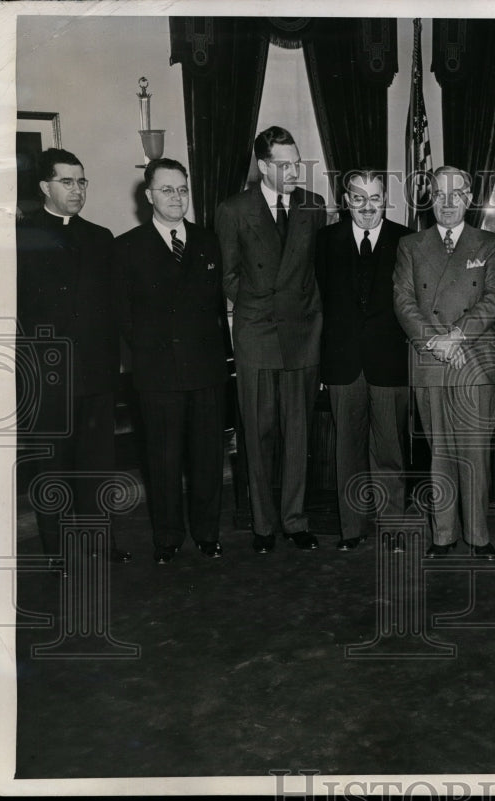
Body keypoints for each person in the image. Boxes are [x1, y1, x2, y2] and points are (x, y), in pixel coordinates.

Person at [16, 148, 131, 565]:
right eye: (67, 181)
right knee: (53, 469)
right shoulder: (19, 237)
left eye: (82, 181)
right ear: (45, 186)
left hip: (97, 373)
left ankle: (102, 542)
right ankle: (58, 554)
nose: (77, 189)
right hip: (46, 377)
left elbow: (114, 307)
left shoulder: (100, 238)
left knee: (97, 465)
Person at [215, 126, 327, 554]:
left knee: (298, 434)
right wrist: (260, 305)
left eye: (297, 163)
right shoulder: (233, 209)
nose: (295, 171)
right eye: (285, 165)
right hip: (258, 334)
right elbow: (228, 275)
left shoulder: (312, 206)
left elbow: (317, 271)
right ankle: (263, 524)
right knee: (257, 435)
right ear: (263, 167)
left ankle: (295, 520)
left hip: (302, 334)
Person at [112, 158, 228, 564]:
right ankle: (168, 538)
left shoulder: (208, 240)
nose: (176, 197)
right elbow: (124, 316)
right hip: (158, 372)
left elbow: (216, 304)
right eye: (167, 190)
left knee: (208, 459)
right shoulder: (127, 247)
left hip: (206, 369)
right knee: (162, 460)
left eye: (182, 189)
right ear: (149, 196)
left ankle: (208, 534)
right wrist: (155, 351)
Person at [392, 166, 495, 558]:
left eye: (455, 194)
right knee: (440, 454)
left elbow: (493, 299)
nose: (447, 202)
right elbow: (403, 301)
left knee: (475, 454)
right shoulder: (410, 245)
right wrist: (434, 341)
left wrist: (456, 336)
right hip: (430, 359)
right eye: (440, 194)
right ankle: (443, 536)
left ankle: (478, 535)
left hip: (474, 359)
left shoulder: (490, 243)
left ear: (469, 198)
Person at [315, 171, 412, 551]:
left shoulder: (406, 240)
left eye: (374, 198)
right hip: (343, 364)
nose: (367, 206)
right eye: (358, 198)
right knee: (347, 451)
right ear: (346, 201)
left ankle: (393, 529)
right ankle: (351, 529)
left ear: (385, 199)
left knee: (389, 451)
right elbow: (318, 302)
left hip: (390, 364)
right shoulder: (325, 240)